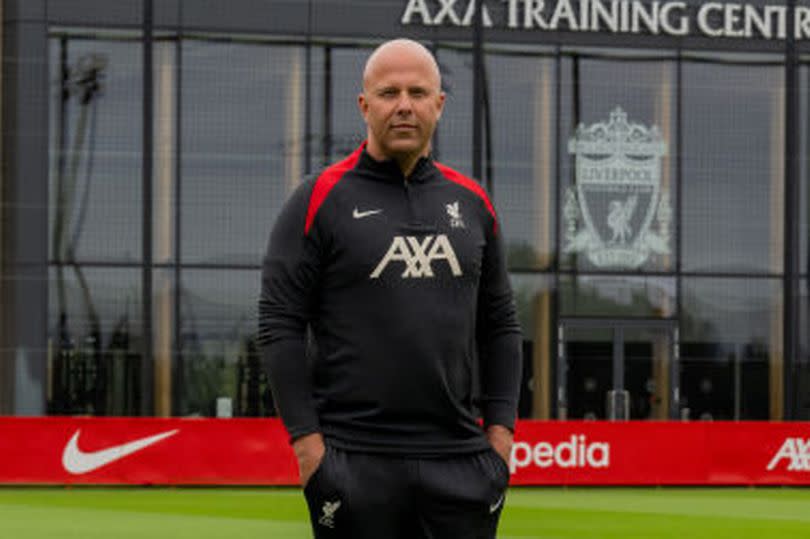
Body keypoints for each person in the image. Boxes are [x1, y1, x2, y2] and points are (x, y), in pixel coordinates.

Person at [258, 38, 522, 539]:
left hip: (461, 461)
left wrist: (500, 438)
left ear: (439, 104)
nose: (404, 105)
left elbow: (501, 326)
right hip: (355, 461)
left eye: (418, 92)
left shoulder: (473, 204)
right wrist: (310, 451)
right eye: (388, 92)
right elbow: (279, 326)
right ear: (364, 105)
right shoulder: (318, 199)